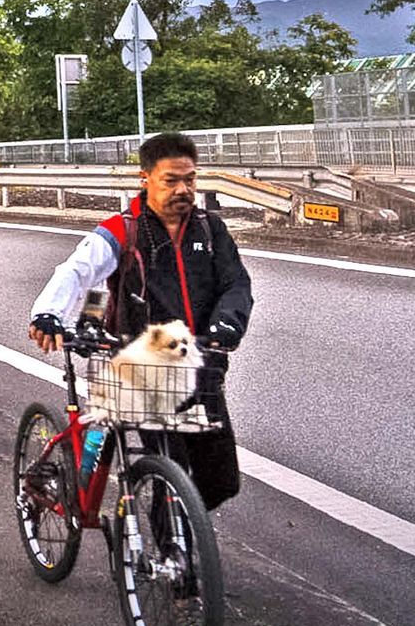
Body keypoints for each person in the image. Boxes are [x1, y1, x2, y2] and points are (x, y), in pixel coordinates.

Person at [28, 131, 253, 511]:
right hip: (140, 366)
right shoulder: (124, 229)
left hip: (201, 366)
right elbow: (77, 271)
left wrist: (226, 325)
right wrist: (48, 314)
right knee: (170, 472)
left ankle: (187, 534)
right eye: (171, 180)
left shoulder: (211, 231)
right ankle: (169, 561)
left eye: (190, 179)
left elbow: (236, 284)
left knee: (222, 481)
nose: (184, 189)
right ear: (145, 178)